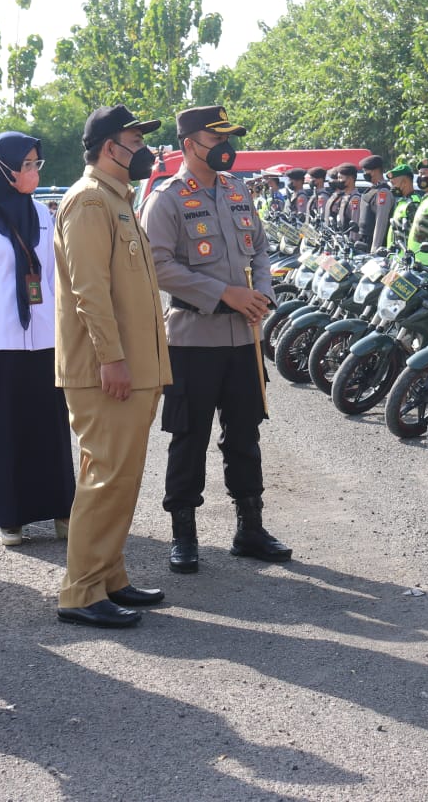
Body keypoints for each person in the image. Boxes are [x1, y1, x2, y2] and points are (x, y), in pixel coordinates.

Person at [142, 104, 291, 579]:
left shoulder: (237, 189)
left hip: (243, 339)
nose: (227, 148)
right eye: (216, 138)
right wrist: (222, 293)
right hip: (192, 339)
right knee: (189, 437)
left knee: (245, 433)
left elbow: (262, 249)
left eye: (229, 138)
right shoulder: (165, 199)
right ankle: (184, 535)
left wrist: (262, 293)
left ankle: (250, 528)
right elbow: (158, 264)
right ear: (190, 145)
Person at [54, 104, 173, 628]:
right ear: (110, 148)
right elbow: (90, 293)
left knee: (119, 479)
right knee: (104, 478)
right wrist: (113, 359)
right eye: (134, 140)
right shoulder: (89, 203)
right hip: (109, 372)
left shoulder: (117, 200)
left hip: (133, 368)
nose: (143, 150)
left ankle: (110, 577)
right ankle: (81, 591)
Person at [0, 132, 75, 547]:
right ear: (3, 169)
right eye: (25, 165)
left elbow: (56, 279)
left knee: (51, 428)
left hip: (44, 339)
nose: (33, 172)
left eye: (35, 164)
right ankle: (12, 518)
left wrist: (67, 333)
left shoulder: (43, 213)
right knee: (4, 430)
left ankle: (62, 510)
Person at [356, 155, 394, 251]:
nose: (365, 174)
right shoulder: (372, 190)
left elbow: (381, 223)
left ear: (374, 171)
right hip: (364, 243)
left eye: (366, 171)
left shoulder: (383, 192)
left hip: (373, 246)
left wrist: (375, 249)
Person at [384, 164, 418, 252]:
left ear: (405, 182)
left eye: (393, 183)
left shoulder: (413, 203)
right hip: (397, 257)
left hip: (405, 257)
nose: (392, 187)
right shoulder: (402, 202)